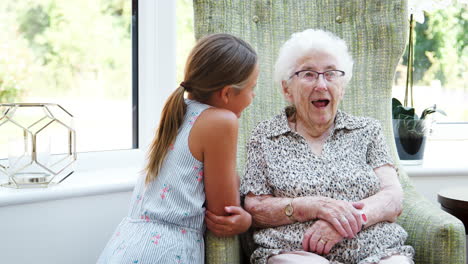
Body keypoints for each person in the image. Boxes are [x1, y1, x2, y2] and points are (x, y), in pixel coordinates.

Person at [239, 29, 415, 264]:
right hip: (296, 254)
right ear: (286, 89)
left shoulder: (367, 131)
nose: (321, 84)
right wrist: (311, 206)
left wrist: (344, 223)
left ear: (342, 86)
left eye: (331, 73)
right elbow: (255, 208)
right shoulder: (265, 136)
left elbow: (393, 197)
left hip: (378, 252)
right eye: (309, 74)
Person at [97, 33, 258, 264]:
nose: (252, 97)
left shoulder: (179, 111)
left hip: (126, 245)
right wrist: (247, 221)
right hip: (166, 252)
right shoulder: (221, 121)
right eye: (252, 88)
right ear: (226, 93)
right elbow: (225, 212)